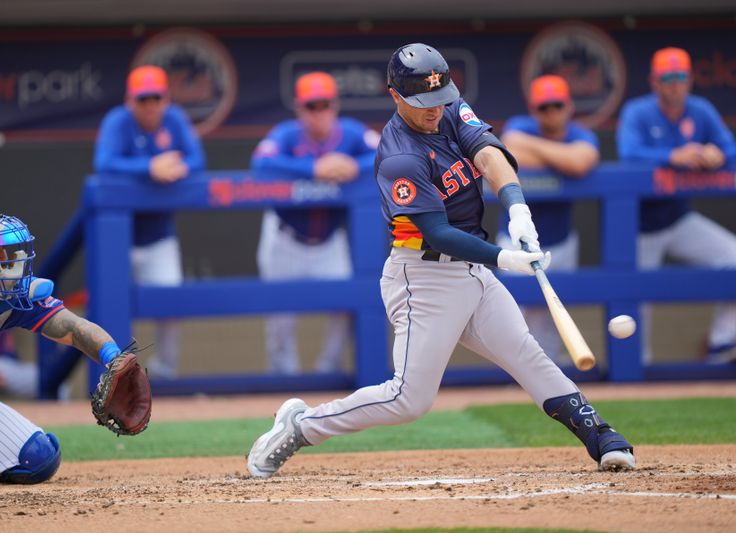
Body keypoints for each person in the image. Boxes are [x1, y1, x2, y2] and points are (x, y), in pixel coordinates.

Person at [246, 43, 635, 478]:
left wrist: (516, 206)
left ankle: (600, 436)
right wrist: (504, 258)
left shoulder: (445, 102)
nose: (434, 110)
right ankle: (302, 426)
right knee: (408, 399)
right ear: (395, 96)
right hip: (423, 277)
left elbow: (488, 152)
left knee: (527, 353)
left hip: (470, 269)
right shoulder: (399, 156)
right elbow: (437, 231)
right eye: (422, 102)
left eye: (439, 98)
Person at [0, 201, 144, 483]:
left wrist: (113, 357)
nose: (4, 260)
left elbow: (72, 327)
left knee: (37, 459)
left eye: (5, 252)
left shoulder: (11, 292)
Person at [251, 71, 379, 374]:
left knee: (346, 310)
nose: (319, 113)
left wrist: (351, 164)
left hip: (329, 243)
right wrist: (313, 167)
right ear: (299, 109)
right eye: (312, 106)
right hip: (284, 240)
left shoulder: (351, 133)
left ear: (334, 106)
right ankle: (285, 383)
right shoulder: (286, 134)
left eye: (324, 105)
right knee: (280, 322)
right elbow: (261, 164)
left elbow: (386, 152)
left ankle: (328, 371)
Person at [617, 47, 736, 364]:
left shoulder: (701, 110)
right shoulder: (638, 111)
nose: (674, 84)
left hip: (680, 219)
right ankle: (636, 364)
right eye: (667, 78)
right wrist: (672, 156)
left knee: (732, 256)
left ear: (690, 80)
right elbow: (628, 153)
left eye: (680, 77)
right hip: (640, 227)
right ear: (655, 82)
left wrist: (719, 155)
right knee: (636, 303)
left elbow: (729, 148)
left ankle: (721, 343)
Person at [94, 65, 206, 378]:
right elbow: (104, 163)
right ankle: (111, 377)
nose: (150, 106)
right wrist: (150, 166)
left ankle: (165, 372)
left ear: (165, 99)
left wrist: (178, 165)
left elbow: (198, 160)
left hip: (158, 237)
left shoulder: (174, 120)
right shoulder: (119, 120)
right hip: (118, 240)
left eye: (156, 98)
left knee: (170, 305)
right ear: (131, 101)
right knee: (111, 310)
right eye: (143, 99)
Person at [496, 75, 600, 363]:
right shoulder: (521, 125)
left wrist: (539, 153)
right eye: (544, 107)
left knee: (549, 318)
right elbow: (509, 151)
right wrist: (560, 160)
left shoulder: (579, 133)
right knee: (511, 314)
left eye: (557, 105)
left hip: (560, 241)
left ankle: (550, 380)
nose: (551, 112)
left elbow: (580, 162)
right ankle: (513, 377)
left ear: (568, 106)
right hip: (515, 239)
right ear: (534, 109)